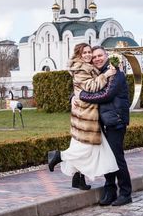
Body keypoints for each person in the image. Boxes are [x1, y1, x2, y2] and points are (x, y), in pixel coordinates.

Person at [47, 43, 118, 190]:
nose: (87, 55)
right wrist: (106, 75)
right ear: (78, 55)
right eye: (84, 52)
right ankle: (59, 156)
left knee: (80, 145)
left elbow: (80, 89)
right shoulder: (81, 69)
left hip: (84, 112)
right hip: (85, 114)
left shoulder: (87, 67)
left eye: (88, 52)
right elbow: (90, 87)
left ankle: (78, 178)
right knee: (86, 148)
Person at [78, 46, 132, 206]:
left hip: (116, 121)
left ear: (106, 55)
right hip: (103, 121)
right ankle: (110, 192)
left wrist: (82, 96)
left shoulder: (116, 73)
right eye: (94, 57)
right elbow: (87, 87)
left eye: (99, 55)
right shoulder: (99, 75)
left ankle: (125, 193)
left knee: (116, 158)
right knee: (106, 158)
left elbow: (106, 94)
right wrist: (75, 96)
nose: (97, 59)